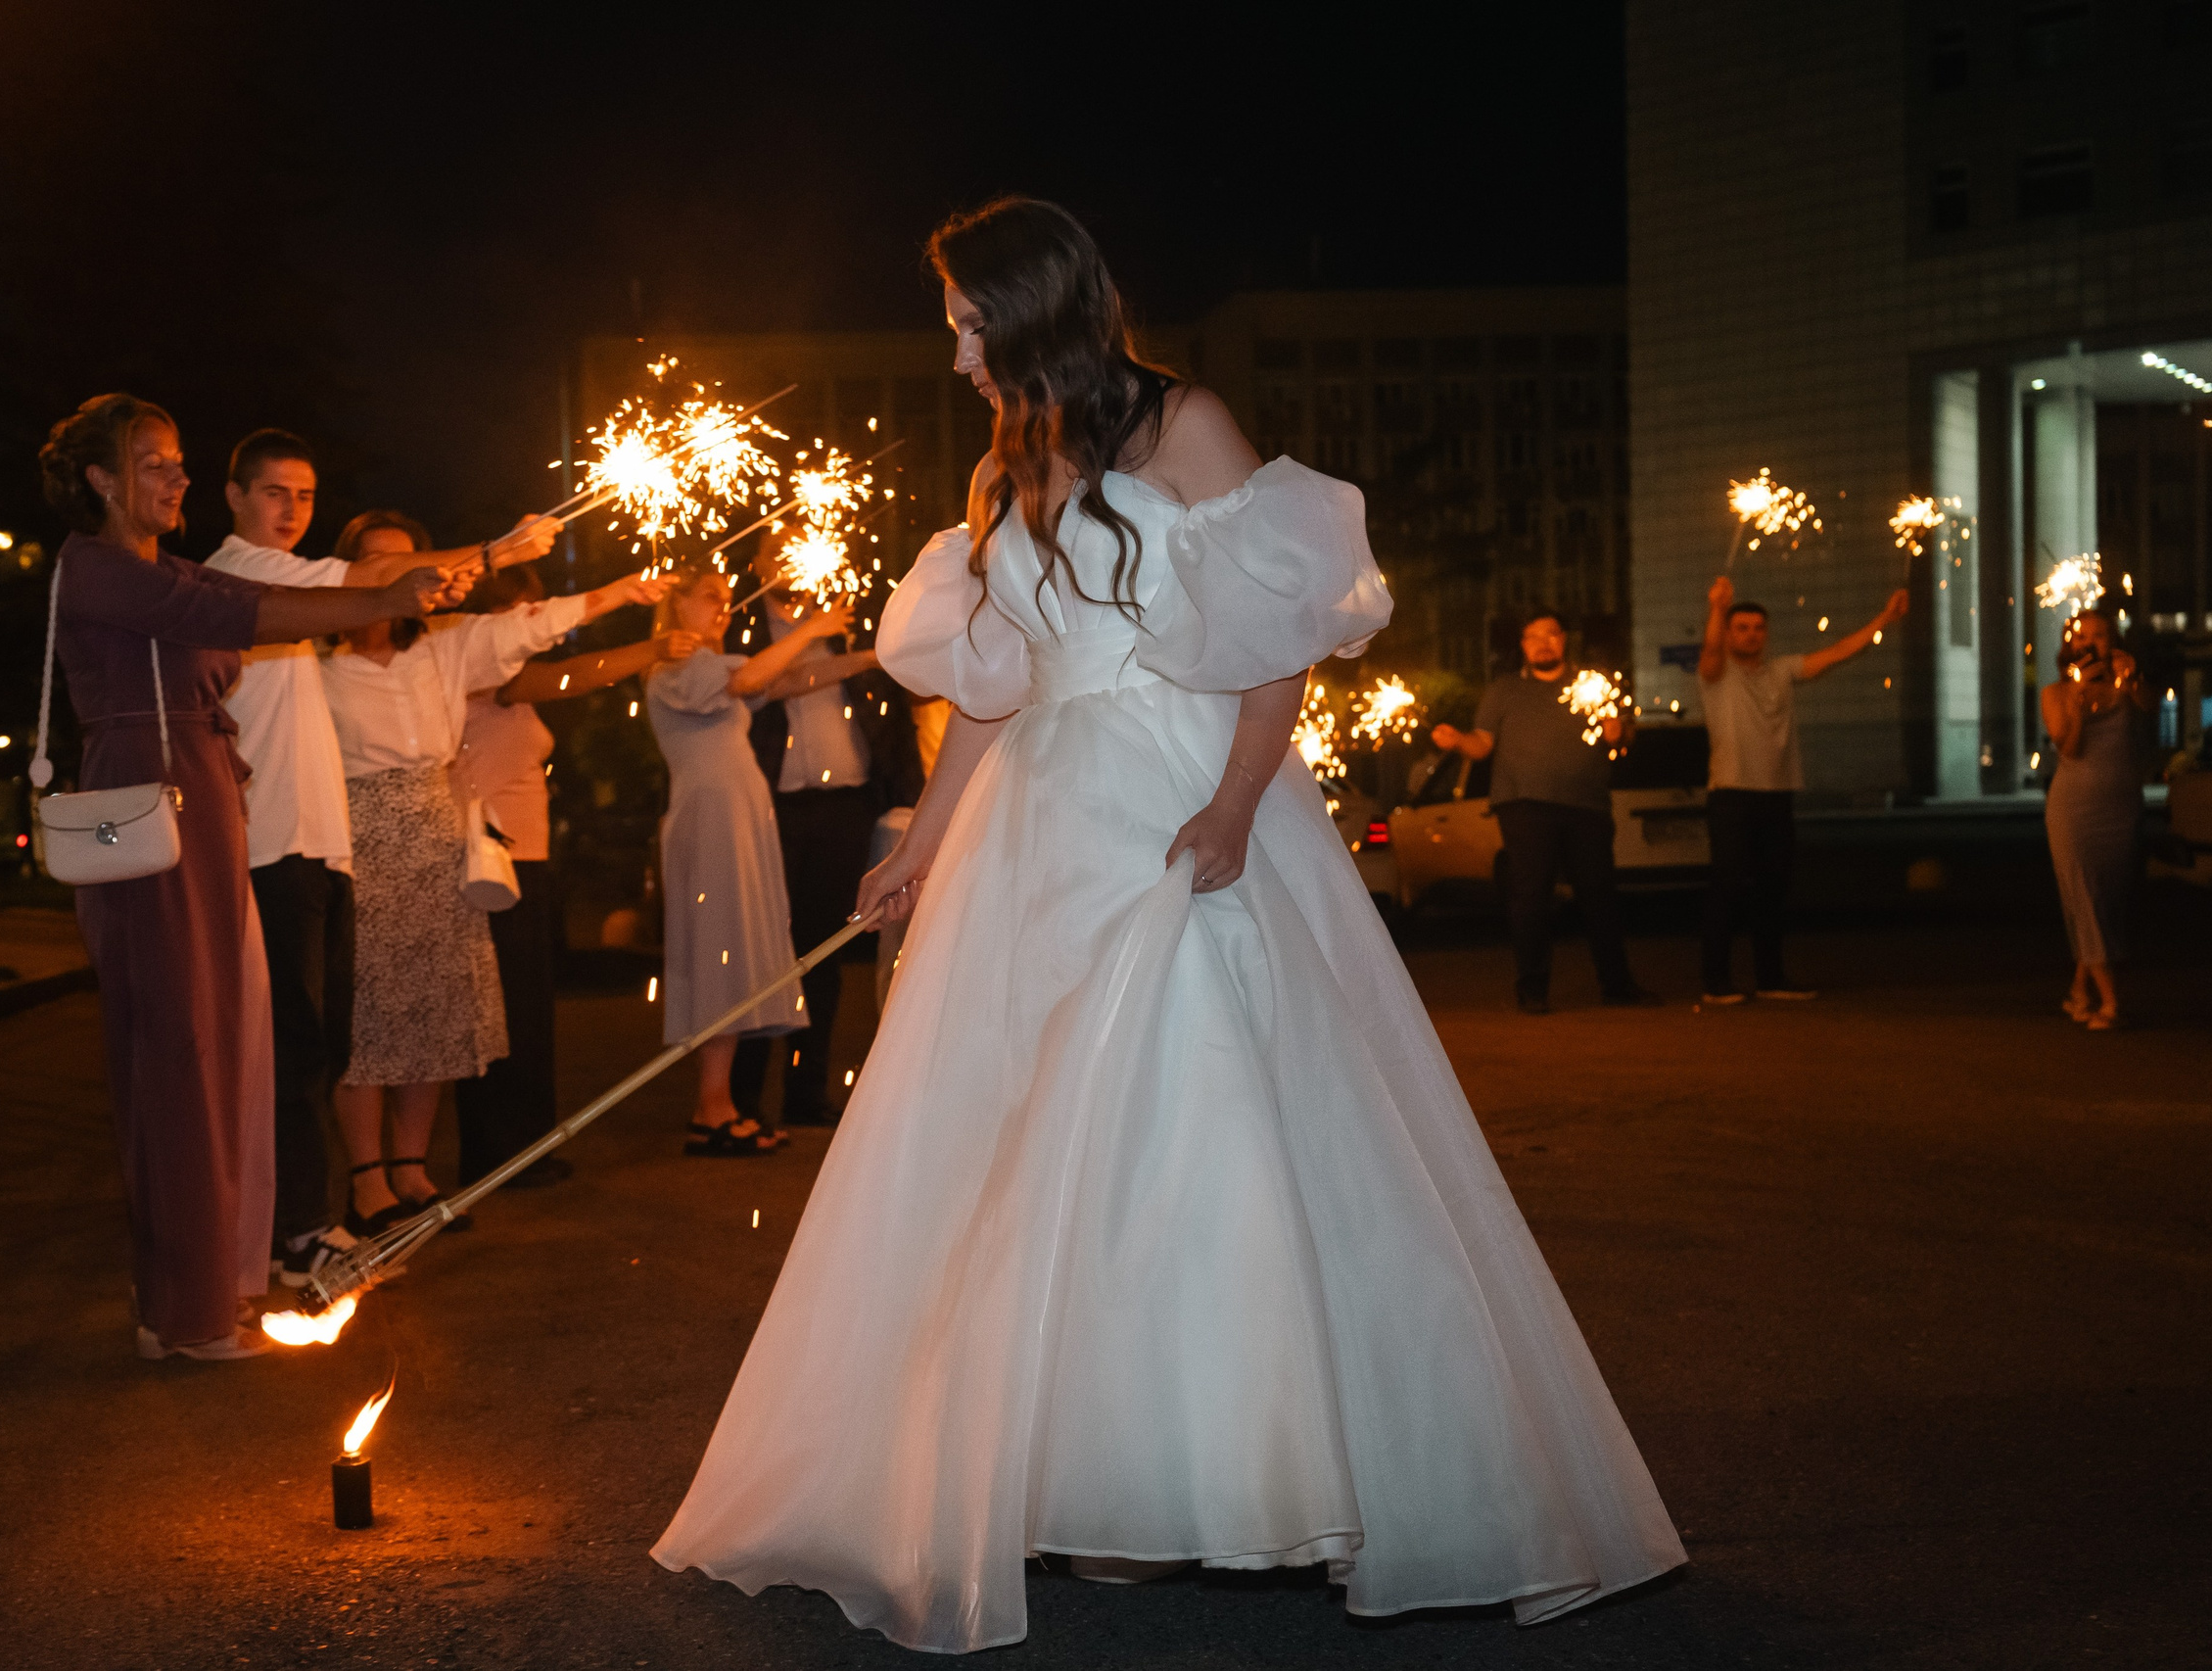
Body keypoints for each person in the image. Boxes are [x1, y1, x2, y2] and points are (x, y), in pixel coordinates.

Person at [652, 198, 1684, 1651]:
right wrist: (924, 851)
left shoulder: (1184, 425)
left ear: (1029, 309)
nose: (951, 353)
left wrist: (1237, 806)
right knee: (1016, 1143)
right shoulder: (995, 472)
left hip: (1181, 802)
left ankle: (1220, 1467)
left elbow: (1282, 637)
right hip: (1040, 829)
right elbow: (990, 692)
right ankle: (1075, 1471)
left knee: (1191, 1115)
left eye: (963, 321)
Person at [35, 395, 454, 1361]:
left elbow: (242, 612)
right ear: (101, 479)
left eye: (179, 461)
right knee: (180, 1047)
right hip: (150, 806)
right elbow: (244, 609)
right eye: (155, 463)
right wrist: (381, 598)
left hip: (207, 797)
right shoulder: (94, 565)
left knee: (230, 1043)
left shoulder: (158, 565)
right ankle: (186, 1311)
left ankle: (213, 1287)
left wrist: (408, 584)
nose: (178, 478)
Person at [203, 427, 560, 1282]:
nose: (290, 510)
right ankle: (297, 1236)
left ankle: (302, 1225)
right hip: (271, 843)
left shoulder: (299, 586)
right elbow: (366, 584)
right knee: (295, 1049)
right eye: (274, 493)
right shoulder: (245, 573)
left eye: (305, 495)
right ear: (236, 497)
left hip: (319, 846)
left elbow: (387, 594)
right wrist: (495, 548)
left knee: (318, 1042)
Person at [317, 511, 669, 1232]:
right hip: (358, 838)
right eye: (378, 567)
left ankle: (413, 1172)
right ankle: (366, 1179)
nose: (398, 581)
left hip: (437, 832)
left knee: (435, 1011)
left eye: (410, 565)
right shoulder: (311, 662)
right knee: (368, 1019)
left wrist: (612, 594)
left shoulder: (446, 646)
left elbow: (529, 629)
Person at [450, 565, 700, 1188]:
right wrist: (650, 647)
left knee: (529, 1005)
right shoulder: (489, 671)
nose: (539, 627)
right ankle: (497, 1150)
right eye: (526, 614)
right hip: (490, 858)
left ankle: (525, 1145)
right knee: (502, 1007)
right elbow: (568, 677)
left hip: (524, 854)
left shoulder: (509, 680)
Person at [643, 569, 866, 1155]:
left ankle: (720, 1104)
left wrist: (870, 656)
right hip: (709, 823)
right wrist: (812, 626)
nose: (722, 608)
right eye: (708, 598)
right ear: (674, 605)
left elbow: (794, 678)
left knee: (740, 948)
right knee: (720, 945)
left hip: (738, 821)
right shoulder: (675, 668)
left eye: (724, 598)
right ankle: (709, 1107)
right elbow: (754, 679)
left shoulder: (717, 666)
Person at [727, 535, 924, 1127]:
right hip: (773, 805)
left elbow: (907, 689)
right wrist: (820, 637)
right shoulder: (743, 630)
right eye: (777, 553)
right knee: (764, 948)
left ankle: (806, 1091)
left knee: (825, 950)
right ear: (759, 564)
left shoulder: (851, 614)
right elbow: (769, 686)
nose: (790, 562)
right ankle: (740, 1098)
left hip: (846, 804)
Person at [1694, 573, 1907, 1003]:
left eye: (1758, 628)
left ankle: (1770, 979)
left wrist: (1884, 618)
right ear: (1730, 632)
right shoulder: (1717, 676)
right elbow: (1712, 649)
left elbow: (1839, 652)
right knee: (1729, 888)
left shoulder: (1782, 670)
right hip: (1732, 794)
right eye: (1742, 628)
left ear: (1766, 634)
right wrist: (1717, 608)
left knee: (1773, 888)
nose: (1751, 635)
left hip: (1777, 794)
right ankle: (1716, 981)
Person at [1433, 610, 1657, 1014]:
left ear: (1563, 639)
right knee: (1530, 899)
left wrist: (1618, 733)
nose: (1542, 643)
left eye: (1550, 634)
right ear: (1523, 646)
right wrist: (1456, 741)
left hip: (1586, 804)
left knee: (1600, 897)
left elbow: (1622, 739)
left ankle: (1617, 985)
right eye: (1532, 636)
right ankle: (1533, 990)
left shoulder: (1592, 685)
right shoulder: (1503, 691)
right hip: (1524, 806)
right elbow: (1482, 745)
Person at [2039, 610, 2156, 1029]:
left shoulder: (2126, 686)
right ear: (2071, 645)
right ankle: (2110, 1002)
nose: (2091, 643)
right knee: (2085, 901)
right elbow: (2069, 749)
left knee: (2105, 903)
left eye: (2100, 635)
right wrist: (2078, 701)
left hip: (2121, 808)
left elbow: (2150, 710)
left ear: (2113, 641)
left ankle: (2077, 990)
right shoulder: (2056, 693)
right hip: (2074, 814)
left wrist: (2135, 677)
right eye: (2082, 637)